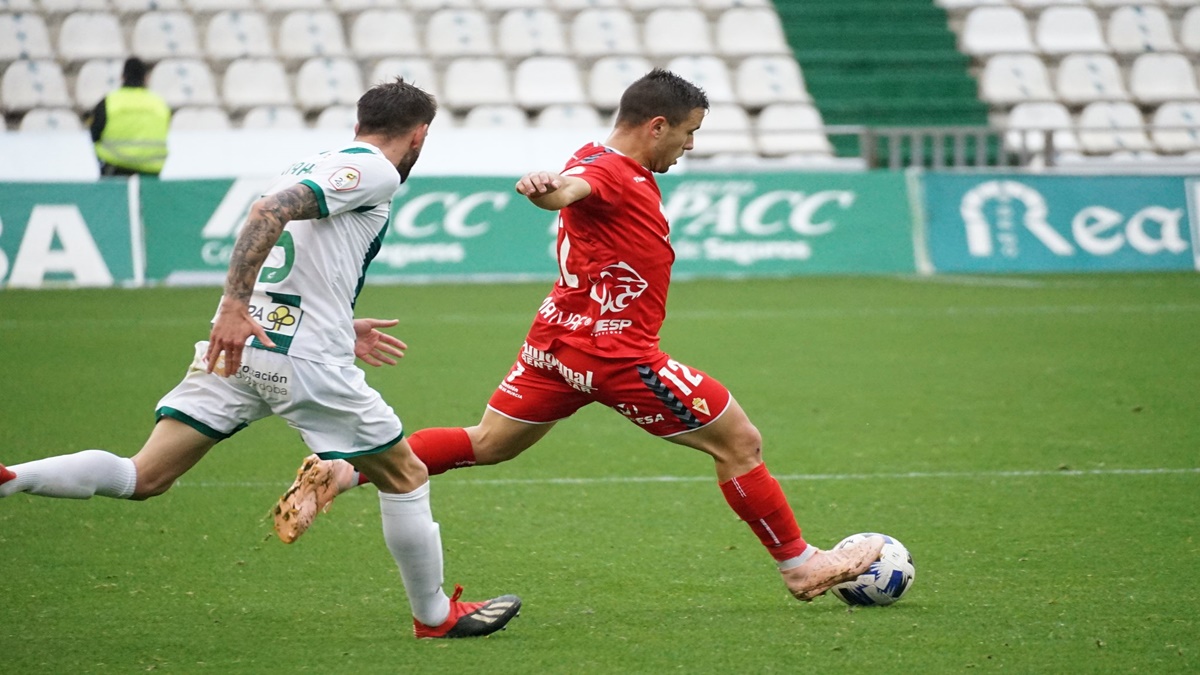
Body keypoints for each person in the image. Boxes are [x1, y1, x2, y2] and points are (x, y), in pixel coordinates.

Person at [270, 69, 884, 603]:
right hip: (617, 356)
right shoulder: (607, 170)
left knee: (489, 444)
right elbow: (572, 187)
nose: (689, 146)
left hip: (555, 346)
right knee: (740, 443)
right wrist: (548, 189)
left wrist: (558, 186)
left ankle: (341, 473)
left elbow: (576, 183)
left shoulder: (600, 157)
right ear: (657, 125)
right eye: (689, 132)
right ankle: (800, 565)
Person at [1, 78, 521, 640]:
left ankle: (11, 478)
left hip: (246, 348)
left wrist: (338, 325)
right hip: (298, 359)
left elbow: (299, 250)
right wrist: (233, 303)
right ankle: (435, 616)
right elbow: (268, 212)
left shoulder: (315, 161)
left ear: (358, 123)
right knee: (405, 475)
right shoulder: (376, 170)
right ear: (421, 134)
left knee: (144, 475)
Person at [87, 57, 171, 176]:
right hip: (151, 170)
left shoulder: (109, 102)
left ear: (122, 76)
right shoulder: (160, 104)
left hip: (115, 169)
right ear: (146, 78)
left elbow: (94, 134)